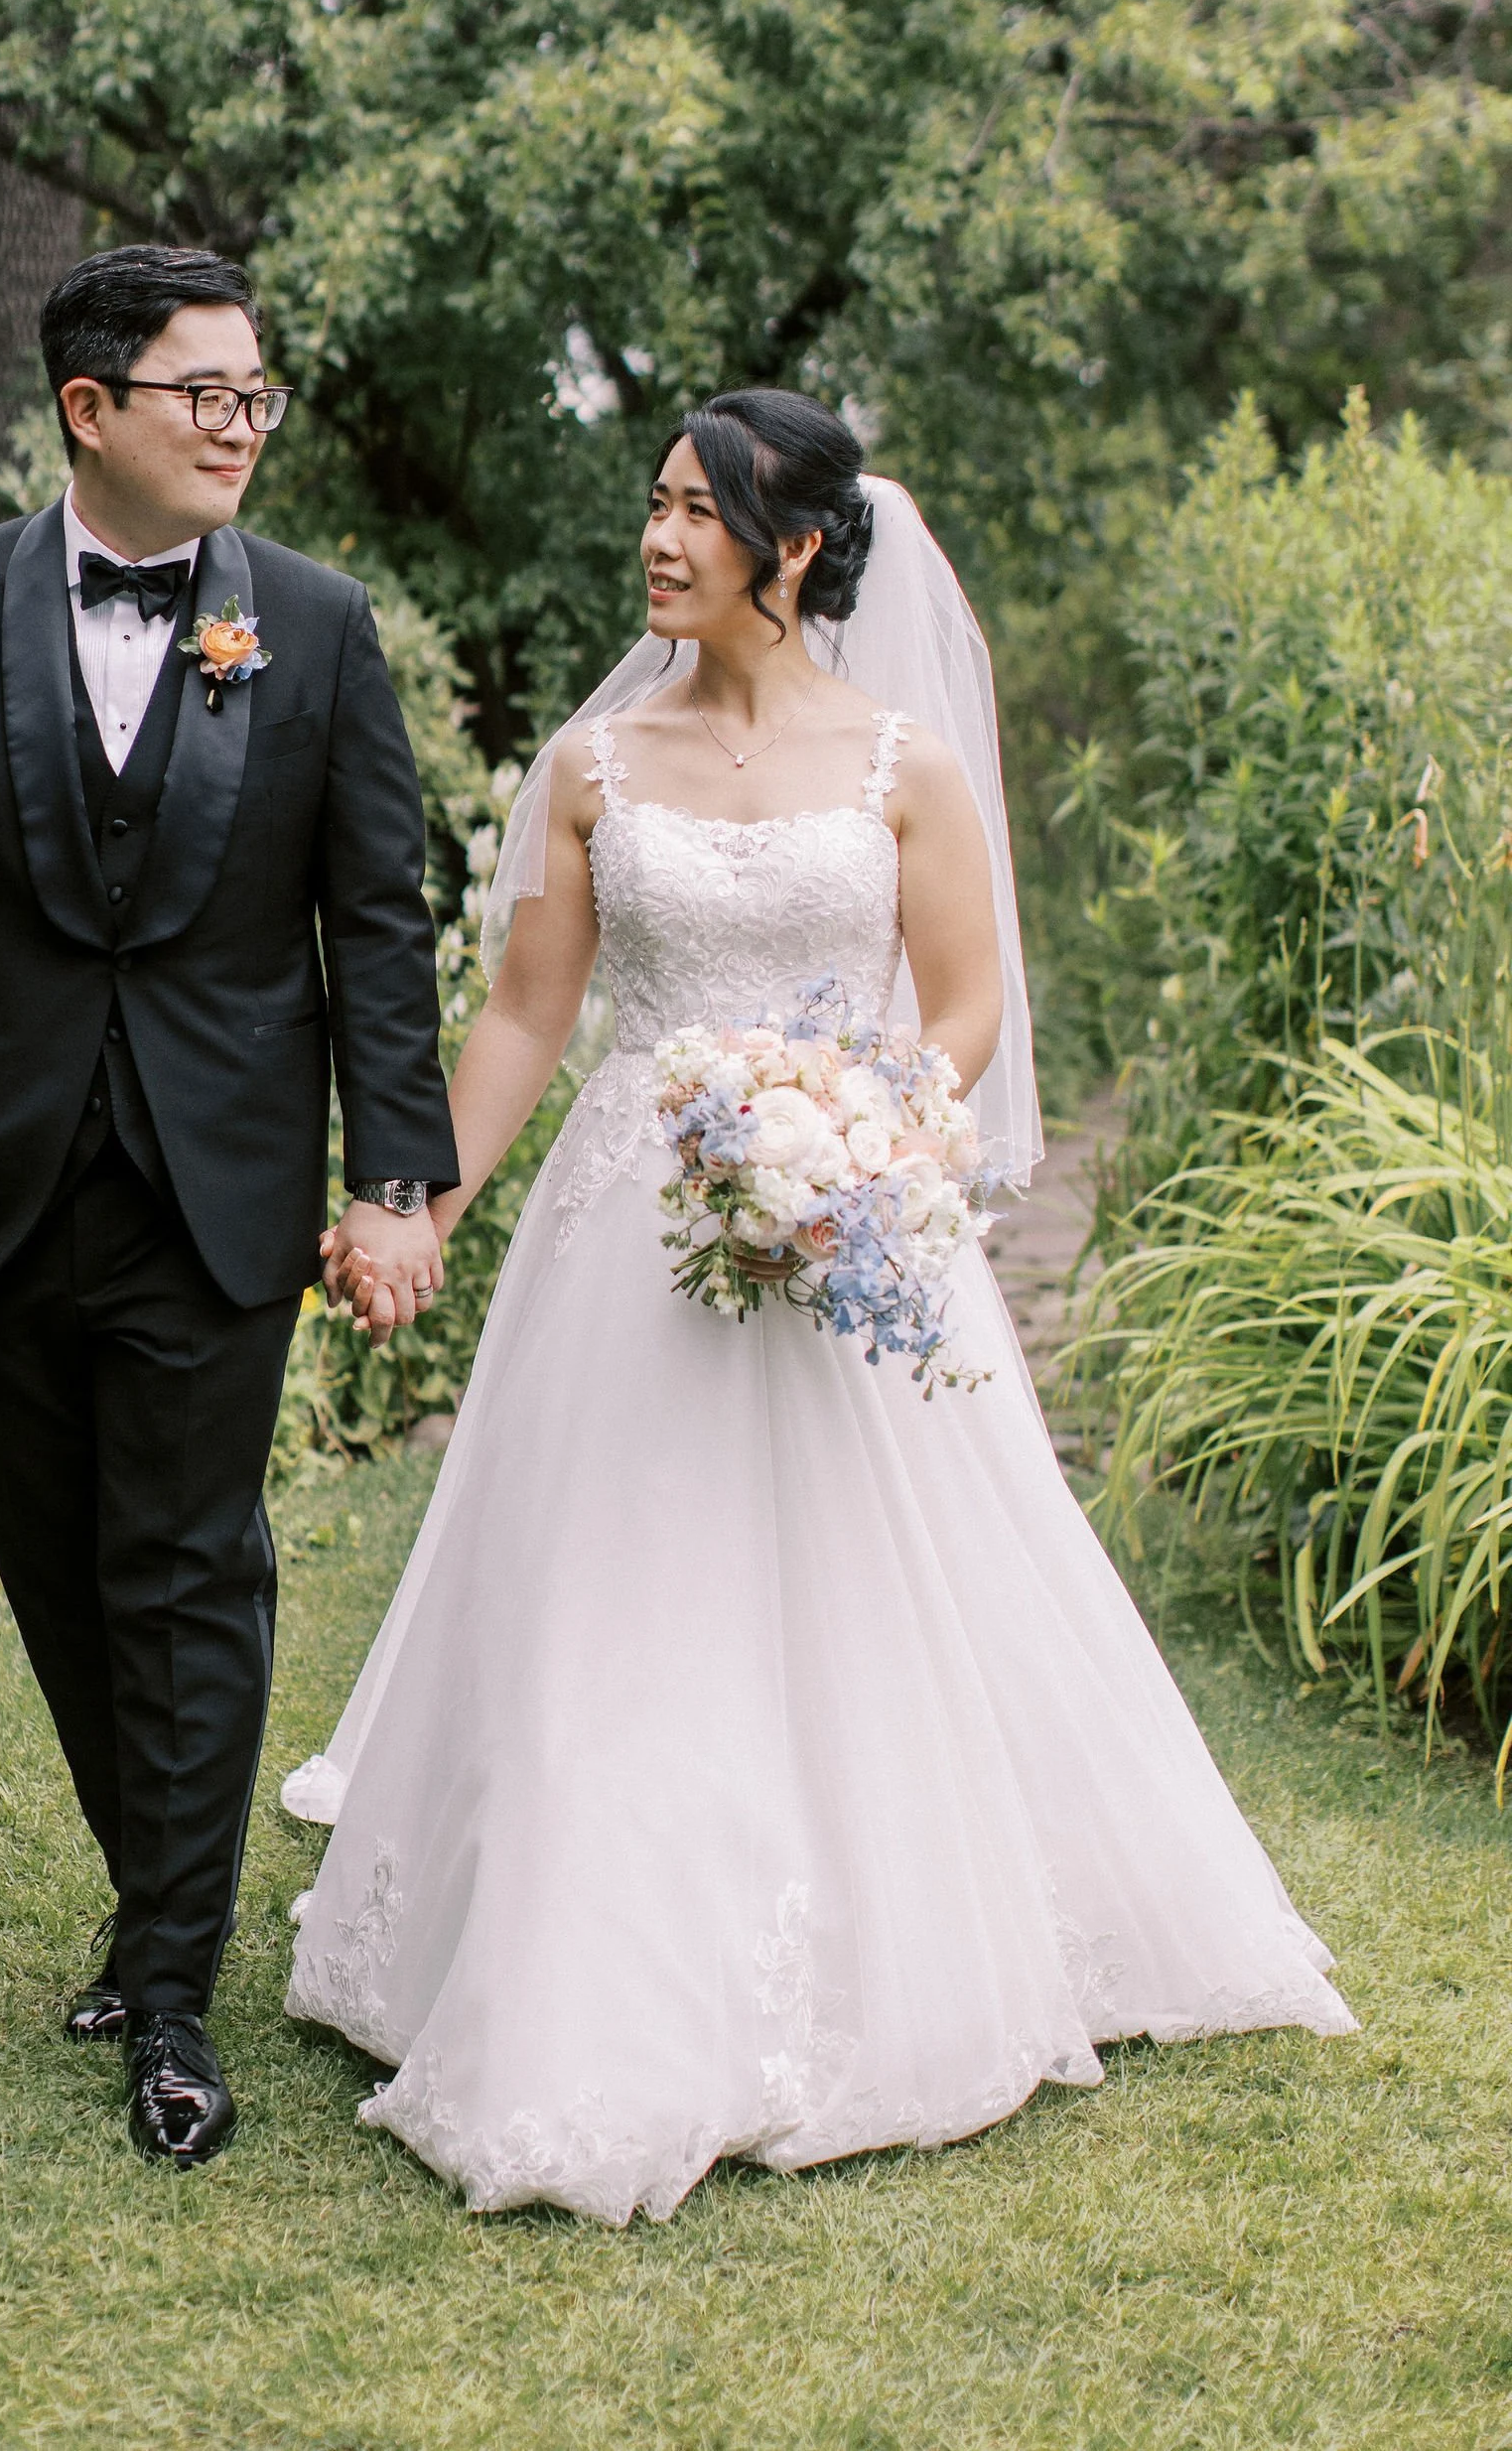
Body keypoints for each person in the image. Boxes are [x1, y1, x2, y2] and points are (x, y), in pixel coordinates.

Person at [286, 387, 1354, 2226]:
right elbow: (535, 1011)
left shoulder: (904, 768)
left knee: (887, 1592)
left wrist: (859, 1139)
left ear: (795, 545)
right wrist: (420, 1203)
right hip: (631, 1225)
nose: (660, 539)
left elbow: (962, 1010)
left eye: (700, 512)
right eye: (654, 503)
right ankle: (579, 1946)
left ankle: (899, 1933)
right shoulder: (594, 770)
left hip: (851, 1218)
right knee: (614, 1582)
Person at [0, 242, 456, 2169]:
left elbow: (379, 919)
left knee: (188, 1564)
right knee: (62, 1561)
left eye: (257, 392)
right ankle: (151, 1892)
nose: (242, 424)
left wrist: (392, 1172)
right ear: (91, 408)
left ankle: (169, 1986)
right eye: (205, 393)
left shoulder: (321, 630)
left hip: (221, 1179)